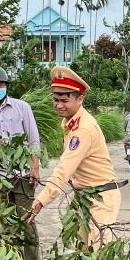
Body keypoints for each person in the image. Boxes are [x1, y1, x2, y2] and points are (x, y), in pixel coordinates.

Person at [26, 66, 122, 248]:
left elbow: (64, 169)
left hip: (100, 197)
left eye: (64, 100)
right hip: (82, 197)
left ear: (80, 99)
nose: (59, 105)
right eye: (56, 100)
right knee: (81, 252)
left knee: (98, 253)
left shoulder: (83, 129)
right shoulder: (70, 122)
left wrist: (41, 200)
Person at [0, 66, 43, 260]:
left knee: (27, 222)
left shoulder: (22, 107)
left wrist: (35, 167)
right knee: (3, 224)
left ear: (6, 86)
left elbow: (33, 139)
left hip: (22, 175)